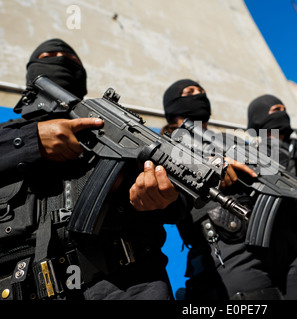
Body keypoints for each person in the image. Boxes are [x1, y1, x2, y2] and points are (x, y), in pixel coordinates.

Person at [0, 39, 187, 300]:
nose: (60, 59)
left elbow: (176, 202)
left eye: (71, 59)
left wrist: (161, 198)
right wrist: (32, 140)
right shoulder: (8, 135)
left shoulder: (115, 131)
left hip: (127, 284)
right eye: (49, 55)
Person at [162, 79, 297, 300]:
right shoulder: (170, 144)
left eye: (202, 90)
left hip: (284, 242)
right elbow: (169, 191)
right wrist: (212, 167)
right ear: (172, 105)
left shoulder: (231, 139)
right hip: (229, 247)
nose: (200, 94)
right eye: (190, 91)